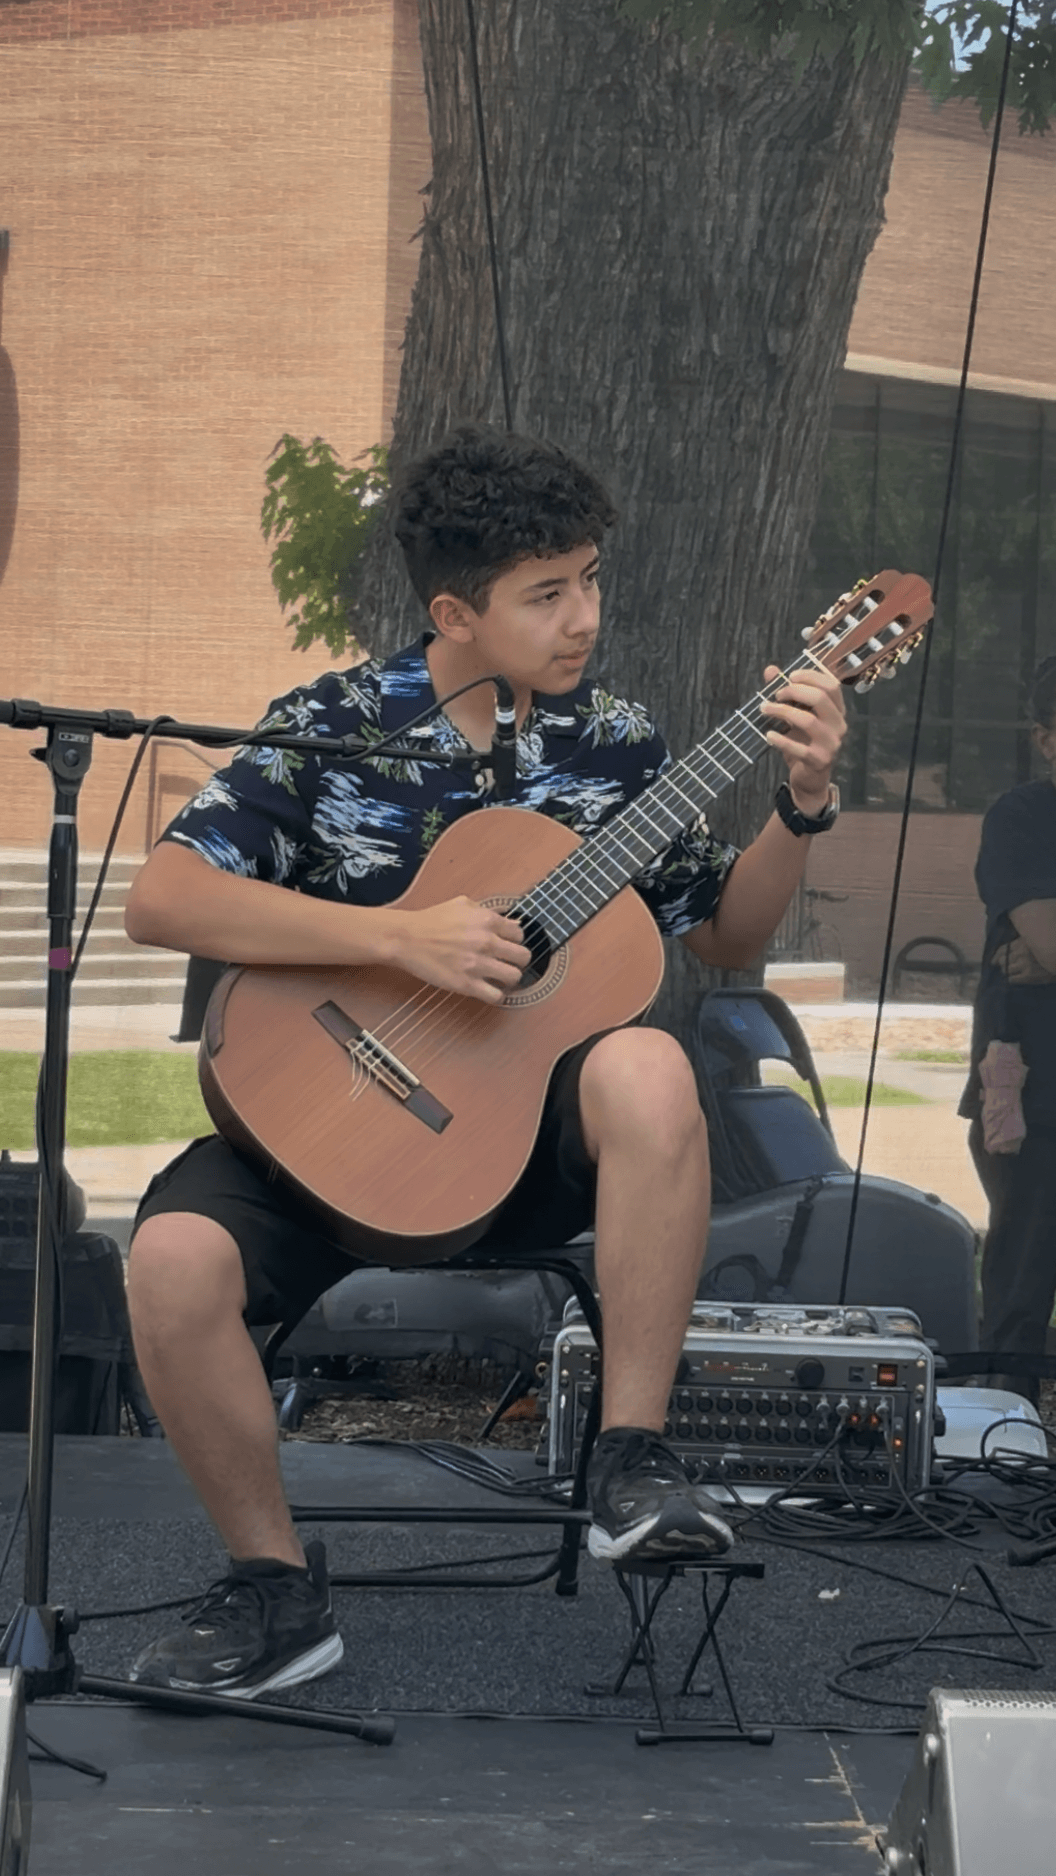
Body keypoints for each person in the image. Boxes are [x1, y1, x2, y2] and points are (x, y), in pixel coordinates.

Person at [123, 424, 846, 1698]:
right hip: (328, 1126)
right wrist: (398, 937)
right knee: (172, 1261)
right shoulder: (336, 724)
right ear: (454, 612)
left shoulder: (615, 742)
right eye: (547, 592)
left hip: (518, 1152)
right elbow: (164, 898)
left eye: (591, 579)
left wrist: (801, 804)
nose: (585, 617)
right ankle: (274, 1590)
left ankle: (631, 1459)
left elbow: (728, 934)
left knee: (648, 1066)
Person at [960, 655, 1056, 1440]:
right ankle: (1007, 1454)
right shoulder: (1021, 818)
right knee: (1018, 1301)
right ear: (1045, 739)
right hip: (1035, 1105)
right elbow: (1053, 945)